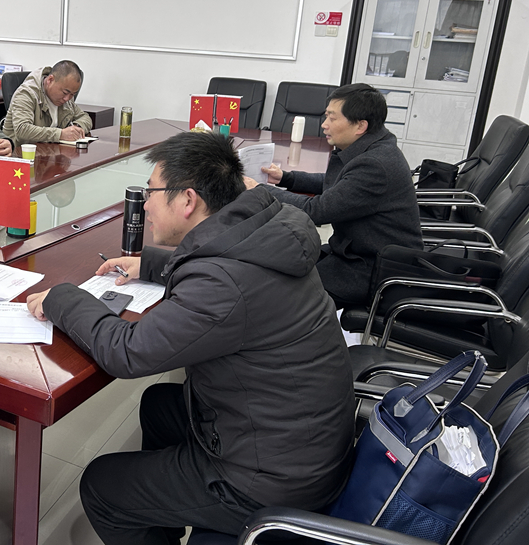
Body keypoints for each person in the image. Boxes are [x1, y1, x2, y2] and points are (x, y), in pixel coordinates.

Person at [26, 131, 355, 544]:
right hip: (302, 441)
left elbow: (128, 352)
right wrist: (151, 264)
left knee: (102, 486)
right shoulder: (270, 230)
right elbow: (225, 261)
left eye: (151, 192)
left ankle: (164, 509)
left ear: (187, 200)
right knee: (159, 405)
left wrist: (62, 297)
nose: (145, 204)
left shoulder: (222, 284)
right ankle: (162, 517)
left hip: (271, 481)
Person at [245, 83, 421, 308]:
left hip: (372, 269)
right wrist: (286, 178)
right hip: (355, 251)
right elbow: (340, 185)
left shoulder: (375, 165)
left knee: (280, 290)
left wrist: (259, 189)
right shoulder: (374, 148)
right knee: (281, 260)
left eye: (332, 118)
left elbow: (316, 211)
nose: (324, 124)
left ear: (360, 125)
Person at [1, 61, 93, 144]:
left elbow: (84, 117)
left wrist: (75, 129)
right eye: (65, 93)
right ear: (50, 80)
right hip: (20, 152)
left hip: (49, 151)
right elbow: (22, 129)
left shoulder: (66, 98)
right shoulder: (26, 93)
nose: (67, 98)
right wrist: (60, 134)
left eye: (72, 94)